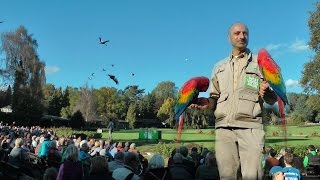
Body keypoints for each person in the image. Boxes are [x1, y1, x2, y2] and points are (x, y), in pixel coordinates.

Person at [191, 22, 278, 179]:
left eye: (245, 33)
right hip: (224, 129)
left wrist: (267, 91)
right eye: (237, 33)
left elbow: (272, 99)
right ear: (229, 37)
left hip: (251, 128)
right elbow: (214, 98)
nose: (242, 36)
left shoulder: (260, 64)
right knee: (227, 176)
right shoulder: (218, 67)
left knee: (253, 175)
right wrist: (207, 103)